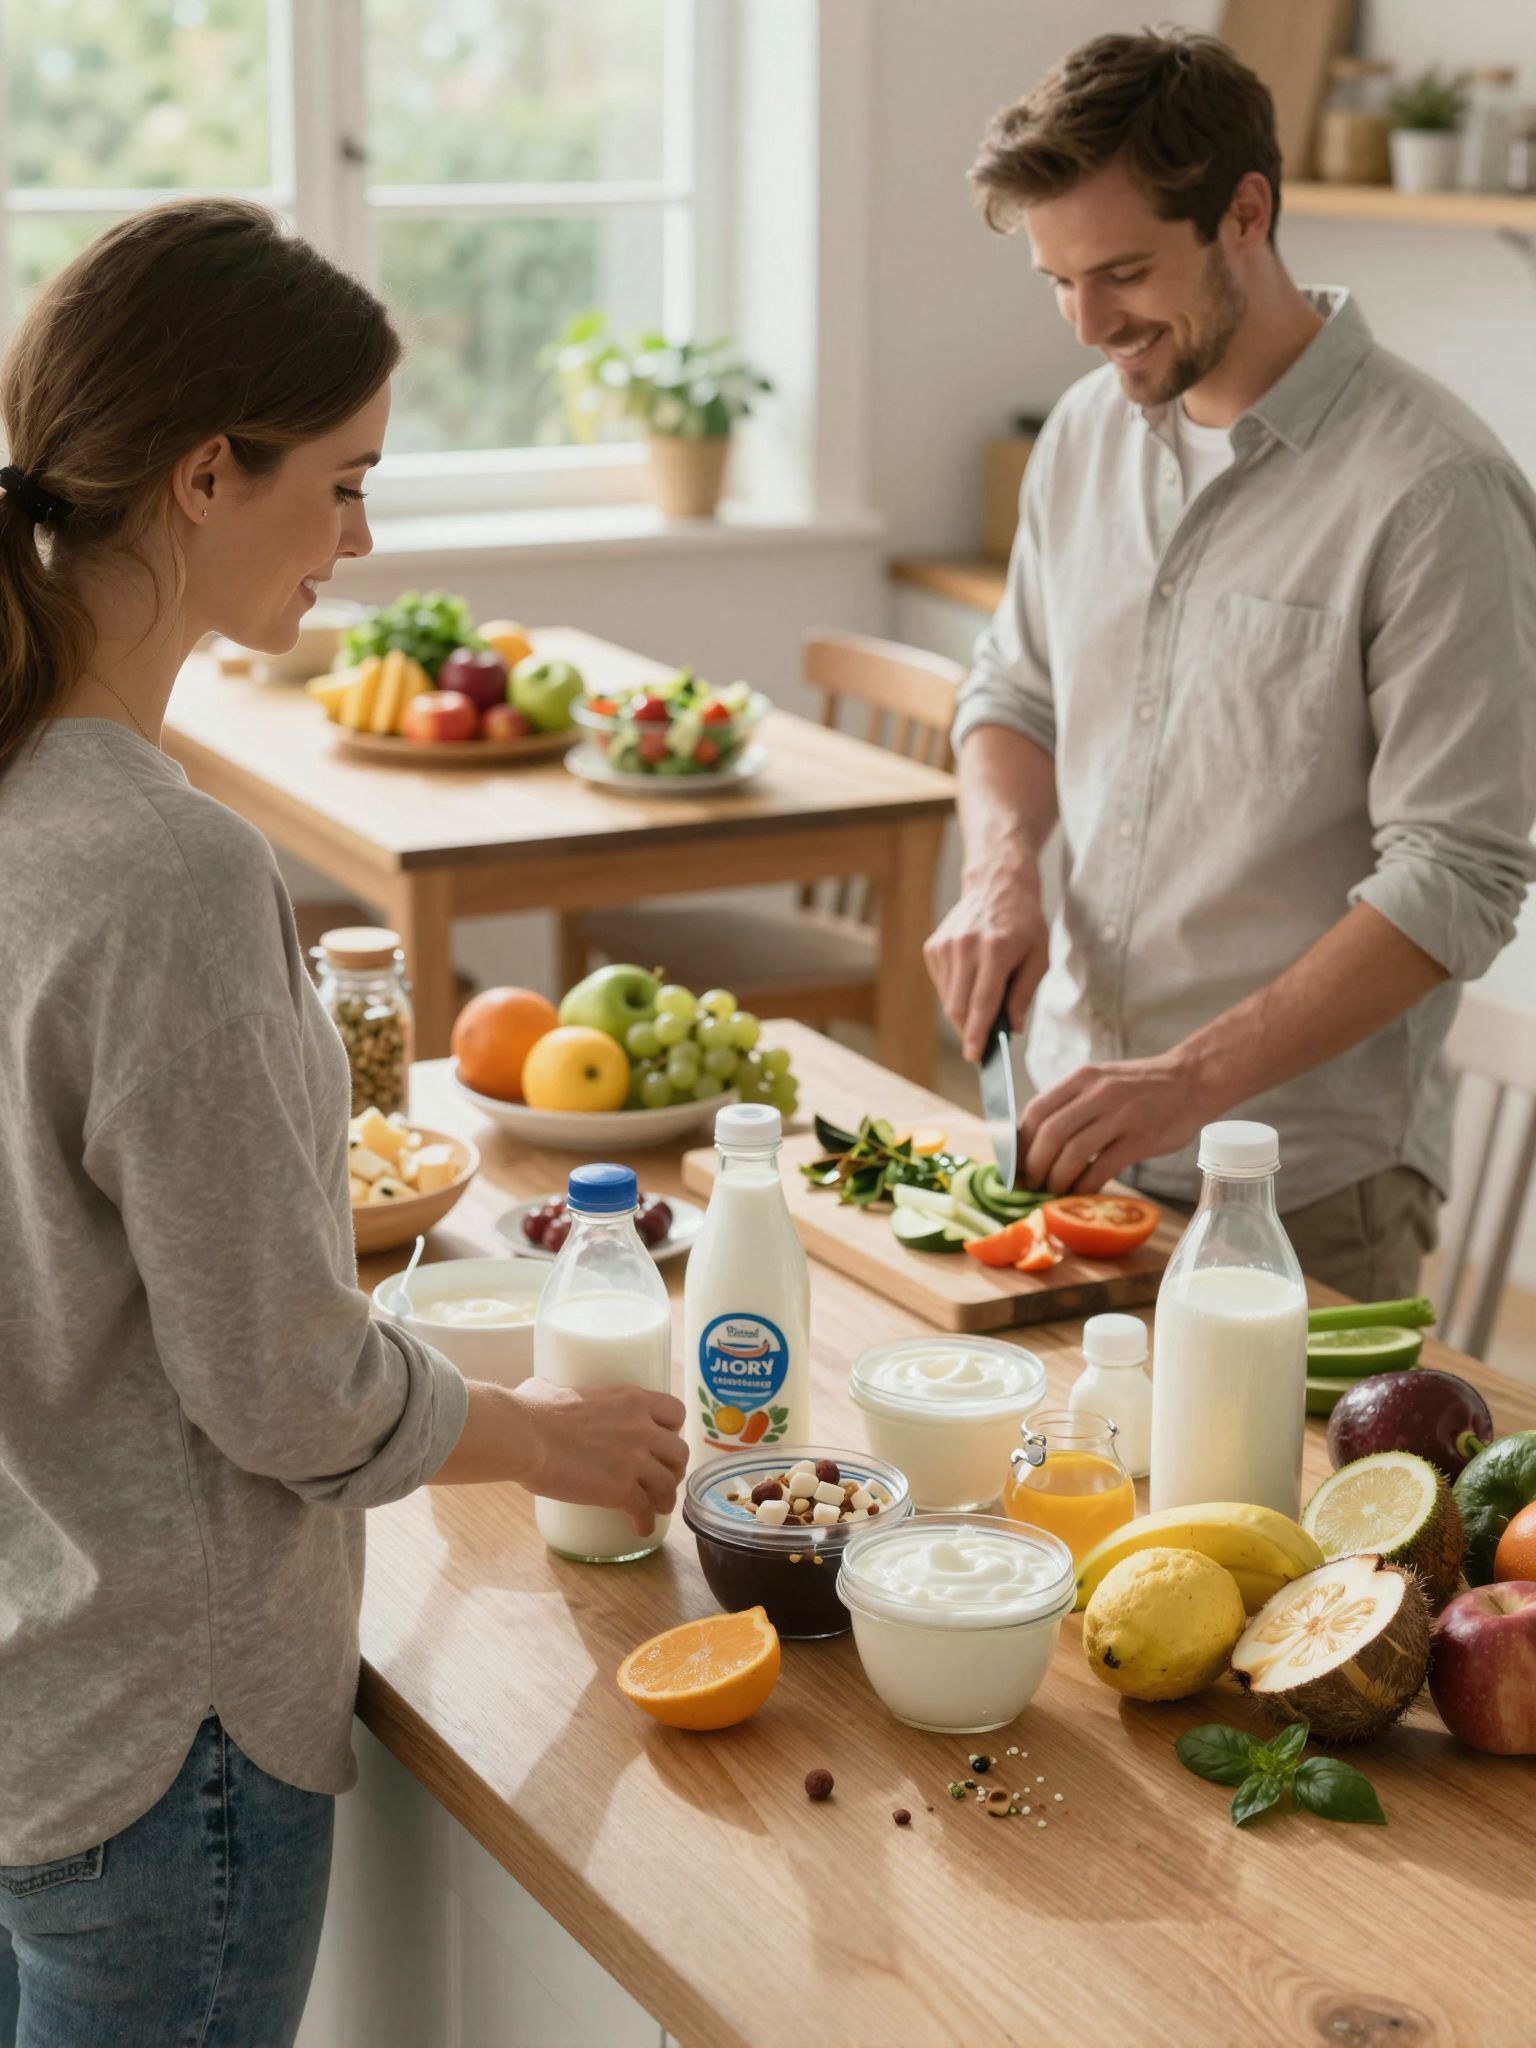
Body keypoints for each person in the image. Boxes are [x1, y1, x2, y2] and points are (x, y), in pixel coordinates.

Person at [0, 198, 686, 2048]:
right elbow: (280, 1384)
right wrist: (547, 1434)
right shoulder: (163, 866)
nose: (364, 541)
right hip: (172, 1733)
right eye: (348, 480)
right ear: (207, 472)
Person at [924, 28, 1536, 1300]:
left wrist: (1188, 1083)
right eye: (1057, 281)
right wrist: (999, 875)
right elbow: (1014, 693)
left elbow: (1456, 877)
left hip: (1302, 1191)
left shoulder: (1437, 492)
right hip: (1072, 1140)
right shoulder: (1085, 435)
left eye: (1125, 272)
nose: (1090, 325)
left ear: (1245, 214)